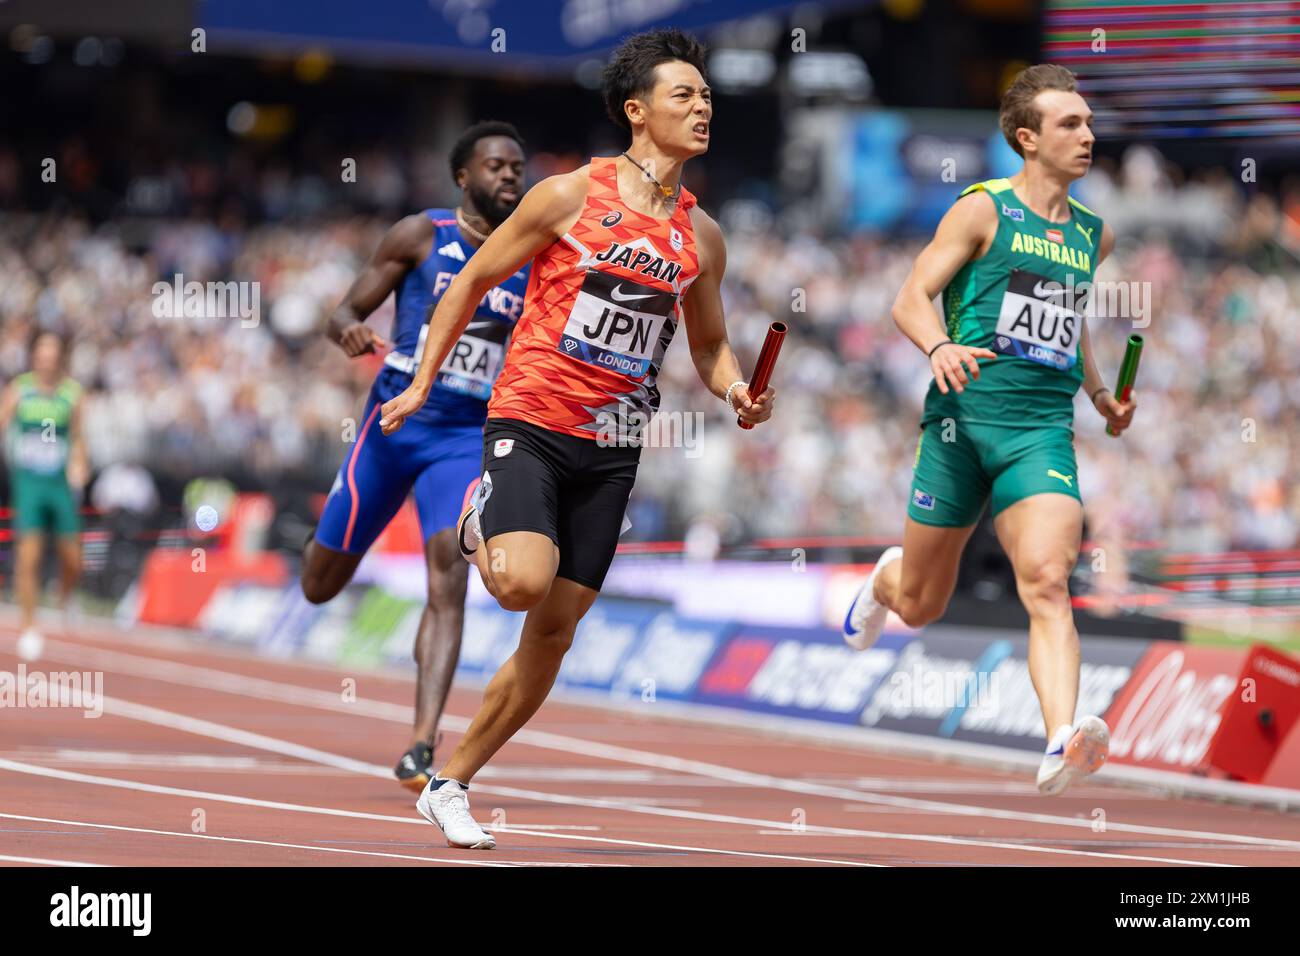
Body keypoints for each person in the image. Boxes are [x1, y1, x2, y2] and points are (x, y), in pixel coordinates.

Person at [379, 28, 775, 848]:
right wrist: (421, 378)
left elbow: (706, 345)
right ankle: (478, 519)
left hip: (615, 443)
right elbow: (475, 281)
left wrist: (736, 387)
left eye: (707, 97)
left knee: (553, 632)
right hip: (531, 418)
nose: (703, 108)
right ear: (637, 112)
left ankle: (451, 782)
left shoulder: (703, 238)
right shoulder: (567, 196)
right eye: (684, 96)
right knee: (523, 582)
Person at [842, 64, 1137, 796]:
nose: (1087, 135)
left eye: (1089, 122)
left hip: (1040, 431)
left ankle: (1061, 735)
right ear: (1026, 138)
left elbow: (1070, 321)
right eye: (1070, 124)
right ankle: (886, 577)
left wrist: (1100, 392)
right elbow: (911, 297)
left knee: (1045, 580)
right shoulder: (982, 211)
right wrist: (939, 346)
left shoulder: (1094, 234)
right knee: (921, 605)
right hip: (959, 428)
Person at [300, 121, 530, 792]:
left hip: (461, 439)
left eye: (518, 166)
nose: (510, 176)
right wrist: (347, 328)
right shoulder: (419, 235)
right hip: (392, 425)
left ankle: (422, 746)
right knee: (319, 585)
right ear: (464, 177)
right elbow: (343, 307)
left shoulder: (533, 256)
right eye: (496, 166)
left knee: (447, 571)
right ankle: (316, 539)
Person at [0, 331, 88, 659]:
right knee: (29, 555)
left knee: (73, 558)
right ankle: (29, 626)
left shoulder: (72, 394)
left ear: (60, 357)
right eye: (42, 352)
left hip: (59, 484)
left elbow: (79, 437)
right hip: (29, 483)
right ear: (34, 355)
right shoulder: (20, 390)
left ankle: (65, 594)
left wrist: (80, 463)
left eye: (53, 352)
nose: (47, 359)